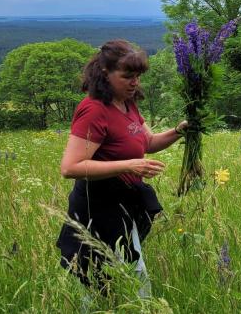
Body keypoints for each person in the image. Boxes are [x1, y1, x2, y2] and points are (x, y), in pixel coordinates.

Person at [56, 40, 186, 296]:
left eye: (138, 76)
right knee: (98, 278)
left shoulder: (128, 102)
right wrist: (129, 165)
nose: (135, 82)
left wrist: (179, 131)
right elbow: (70, 167)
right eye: (127, 76)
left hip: (124, 202)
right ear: (105, 73)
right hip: (98, 207)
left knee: (127, 274)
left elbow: (147, 142)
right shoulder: (94, 110)